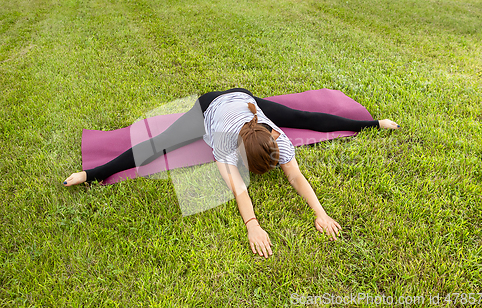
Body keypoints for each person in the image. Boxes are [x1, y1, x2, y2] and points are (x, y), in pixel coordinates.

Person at [64, 88, 400, 258]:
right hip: (210, 107)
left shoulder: (278, 139)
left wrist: (321, 213)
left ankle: (373, 123)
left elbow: (297, 177)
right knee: (160, 144)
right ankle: (91, 173)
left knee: (306, 117)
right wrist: (253, 226)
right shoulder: (225, 147)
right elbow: (240, 190)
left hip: (245, 99)